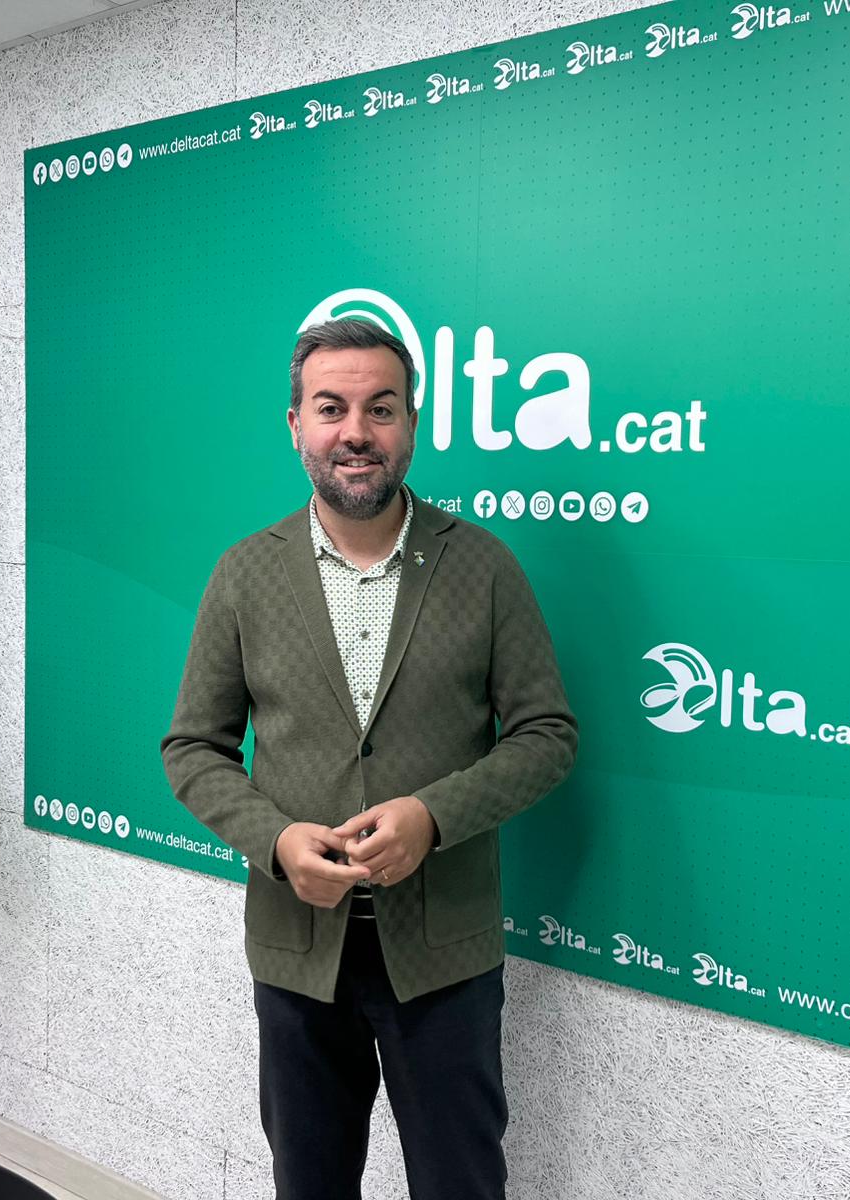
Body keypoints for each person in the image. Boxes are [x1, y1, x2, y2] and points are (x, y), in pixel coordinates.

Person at [161, 318, 577, 1200]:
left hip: (444, 956)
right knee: (309, 1183)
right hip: (297, 951)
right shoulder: (244, 574)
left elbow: (547, 735)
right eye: (332, 408)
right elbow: (193, 748)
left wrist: (433, 817)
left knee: (460, 1183)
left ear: (411, 424)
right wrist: (277, 842)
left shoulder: (483, 567)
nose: (356, 431)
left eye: (380, 408)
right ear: (297, 426)